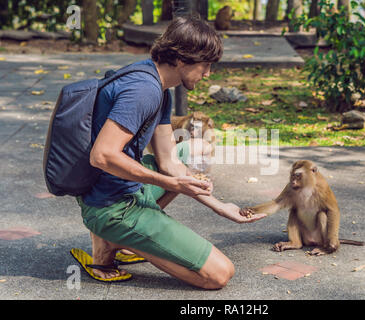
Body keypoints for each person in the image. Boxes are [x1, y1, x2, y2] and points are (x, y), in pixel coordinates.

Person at [73, 16, 266, 289]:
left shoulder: (158, 85)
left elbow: (170, 162)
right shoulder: (143, 90)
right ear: (181, 59)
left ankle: (121, 238)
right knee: (219, 275)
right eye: (205, 64)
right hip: (112, 208)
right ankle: (117, 238)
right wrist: (169, 183)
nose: (208, 73)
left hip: (117, 191)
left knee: (190, 150)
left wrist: (221, 207)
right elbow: (102, 156)